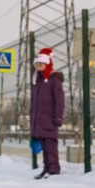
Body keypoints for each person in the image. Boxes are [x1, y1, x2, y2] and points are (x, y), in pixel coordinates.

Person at [30, 48, 65, 179]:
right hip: (40, 121)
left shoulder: (54, 81)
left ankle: (54, 170)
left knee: (51, 147)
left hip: (50, 120)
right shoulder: (37, 82)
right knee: (45, 148)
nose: (39, 67)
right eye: (37, 65)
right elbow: (34, 104)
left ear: (47, 64)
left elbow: (59, 101)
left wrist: (58, 118)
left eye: (41, 65)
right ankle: (46, 169)